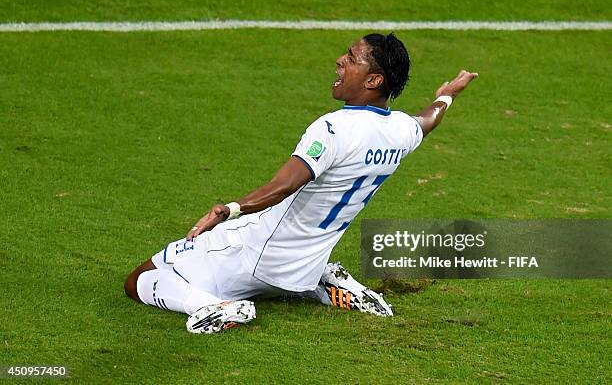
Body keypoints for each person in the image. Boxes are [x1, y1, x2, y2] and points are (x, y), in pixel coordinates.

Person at [124, 33, 478, 333]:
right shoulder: (401, 131)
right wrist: (447, 95)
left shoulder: (333, 129)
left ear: (373, 81)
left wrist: (228, 209)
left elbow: (283, 186)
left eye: (352, 59)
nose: (340, 61)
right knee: (281, 263)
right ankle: (323, 284)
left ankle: (215, 307)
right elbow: (428, 119)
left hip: (255, 255)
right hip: (303, 265)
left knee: (140, 278)